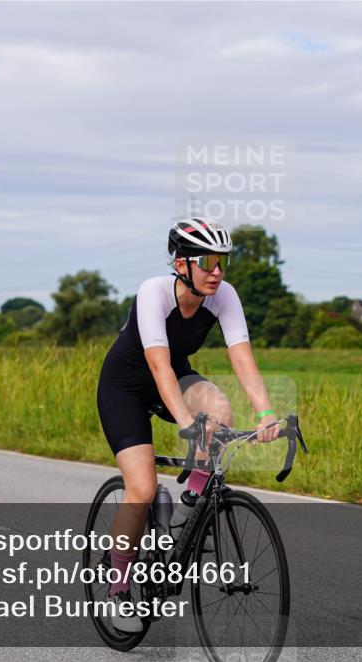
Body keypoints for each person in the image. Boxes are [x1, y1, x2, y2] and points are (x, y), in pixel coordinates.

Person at [95, 217, 281, 633]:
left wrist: (266, 412)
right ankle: (118, 587)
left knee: (220, 410)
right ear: (182, 264)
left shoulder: (223, 296)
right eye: (208, 261)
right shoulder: (153, 293)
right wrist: (185, 422)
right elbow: (158, 367)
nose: (217, 271)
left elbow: (241, 357)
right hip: (126, 386)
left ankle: (187, 510)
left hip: (175, 377)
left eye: (223, 263)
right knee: (141, 489)